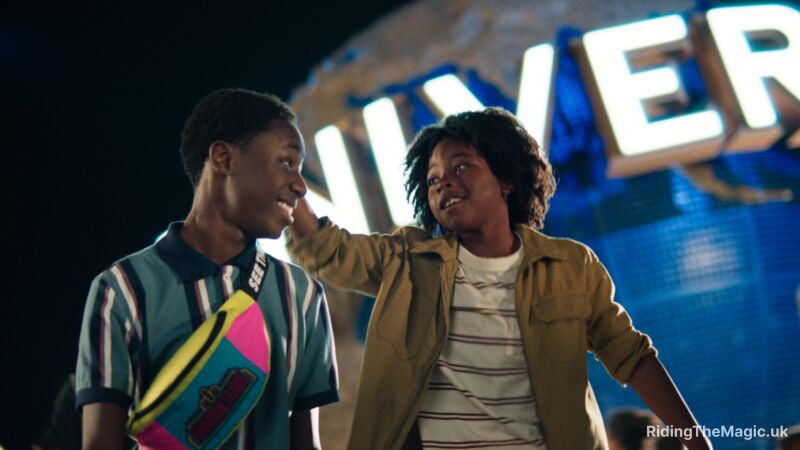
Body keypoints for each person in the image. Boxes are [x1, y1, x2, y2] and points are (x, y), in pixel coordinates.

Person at [288, 108, 710, 450]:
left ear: (506, 179)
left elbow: (631, 356)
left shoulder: (570, 265)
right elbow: (328, 250)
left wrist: (698, 443)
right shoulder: (407, 259)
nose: (444, 182)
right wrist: (291, 181)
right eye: (432, 179)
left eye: (461, 167)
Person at [75, 89, 339, 450]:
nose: (300, 185)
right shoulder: (120, 290)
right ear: (223, 158)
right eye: (286, 163)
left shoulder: (305, 295)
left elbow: (306, 443)